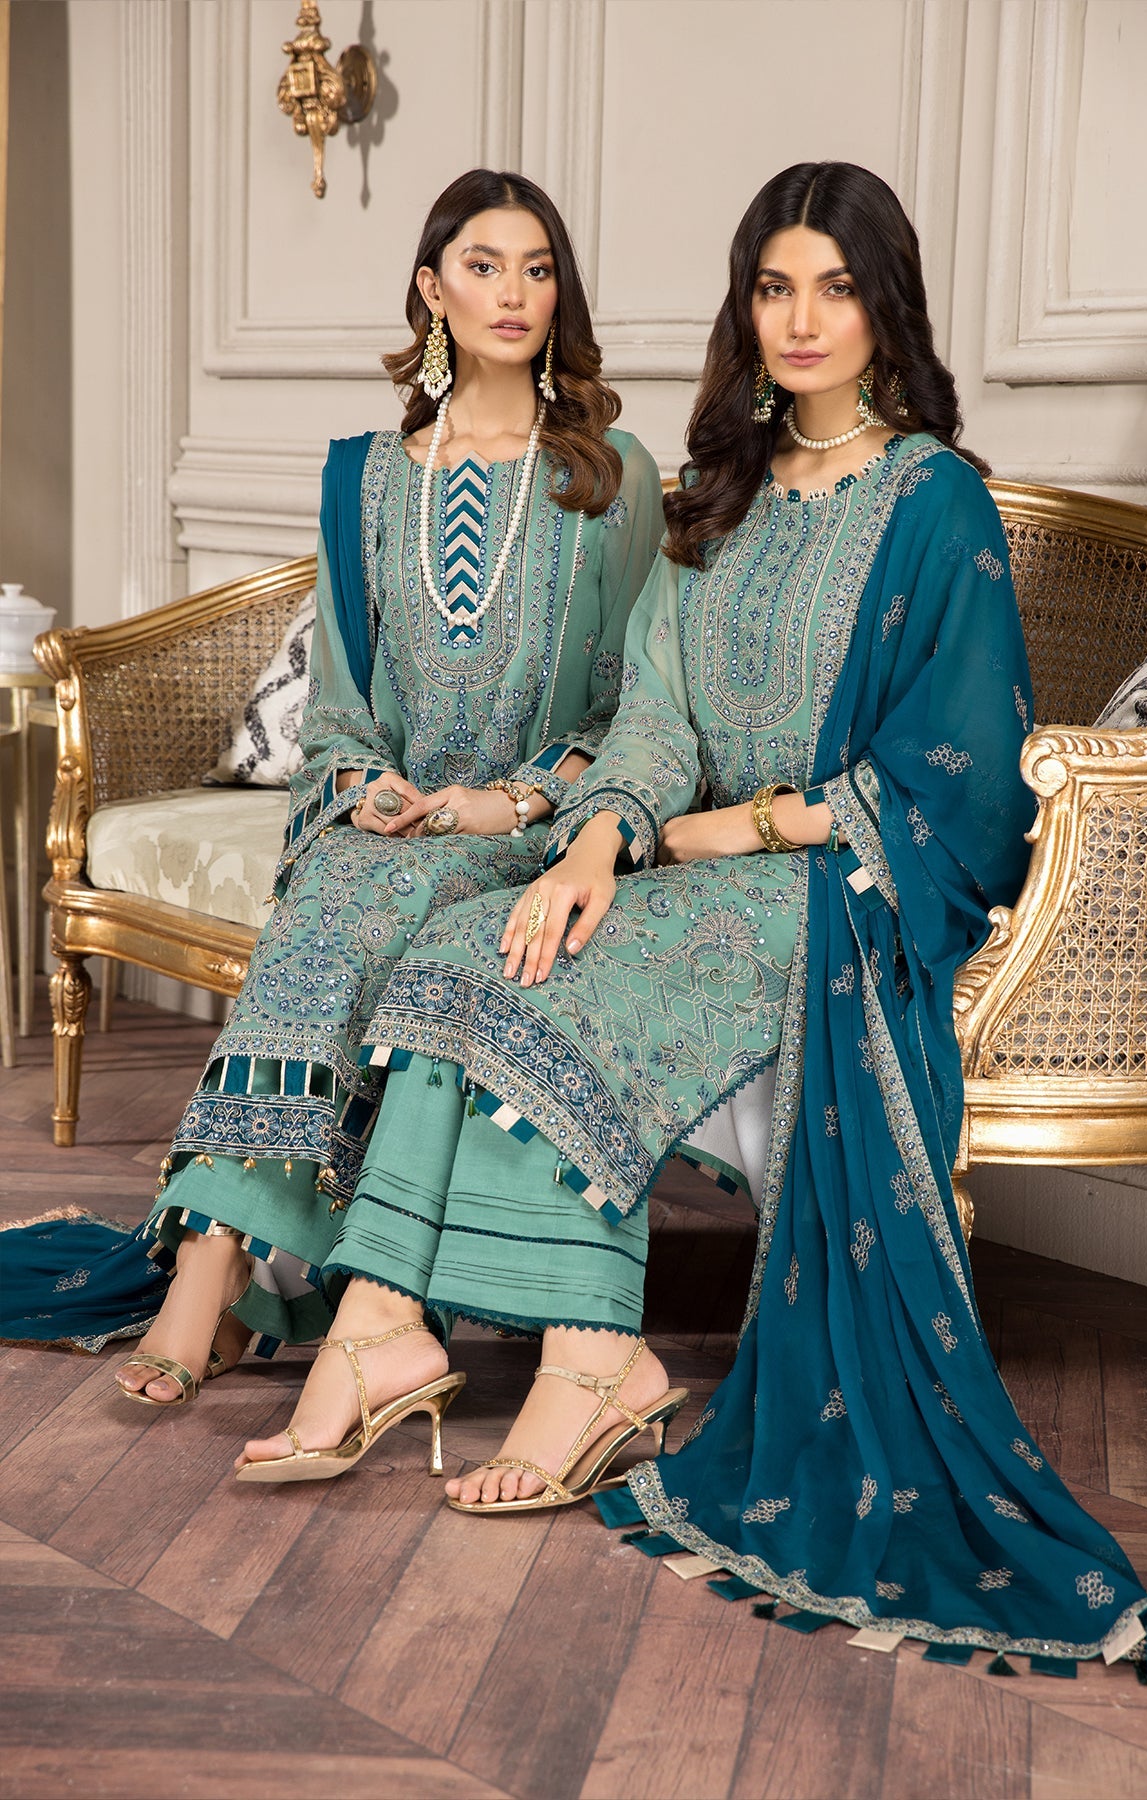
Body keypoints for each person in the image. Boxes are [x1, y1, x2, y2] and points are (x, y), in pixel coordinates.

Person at [229, 160, 1147, 1672]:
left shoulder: (934, 502)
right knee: (471, 941)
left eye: (835, 288)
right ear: (745, 310)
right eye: (773, 287)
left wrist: (741, 828)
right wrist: (595, 843)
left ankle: (590, 1366)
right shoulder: (716, 494)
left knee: (569, 985)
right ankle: (379, 1323)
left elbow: (962, 767)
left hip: (840, 882)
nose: (801, 320)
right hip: (686, 858)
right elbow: (655, 720)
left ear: (885, 310)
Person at [1, 168, 663, 1414]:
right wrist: (363, 791)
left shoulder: (611, 479)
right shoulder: (365, 478)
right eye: (483, 266)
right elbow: (345, 711)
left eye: (536, 270)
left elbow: (636, 708)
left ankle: (213, 1275)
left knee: (351, 906)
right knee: (339, 891)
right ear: (431, 290)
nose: (513, 293)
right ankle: (218, 1258)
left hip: (530, 828)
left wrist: (506, 803)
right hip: (394, 821)